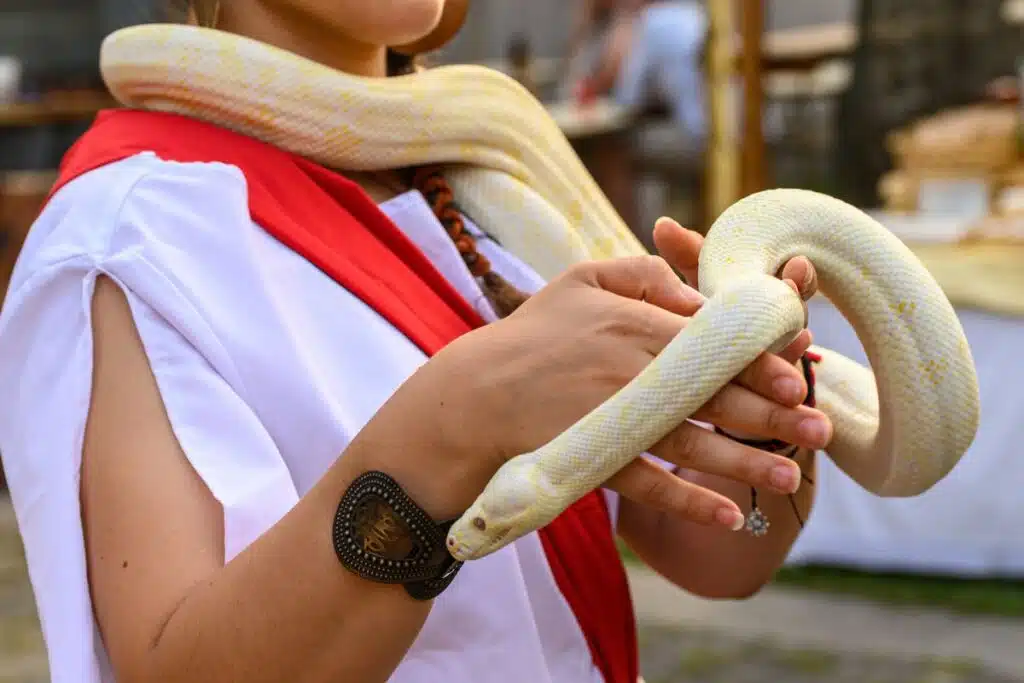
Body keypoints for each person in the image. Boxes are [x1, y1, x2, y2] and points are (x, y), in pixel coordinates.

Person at [0, 1, 830, 682]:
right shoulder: (134, 232)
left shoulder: (484, 193)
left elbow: (717, 558)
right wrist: (452, 427)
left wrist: (764, 415)